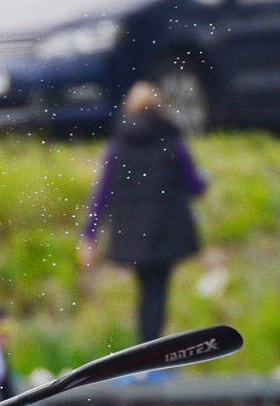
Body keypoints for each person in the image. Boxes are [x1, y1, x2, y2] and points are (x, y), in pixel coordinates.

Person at [80, 81, 207, 344]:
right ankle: (153, 351)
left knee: (144, 291)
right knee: (158, 292)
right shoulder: (172, 141)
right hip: (166, 232)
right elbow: (194, 185)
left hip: (133, 235)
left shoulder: (118, 146)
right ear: (160, 108)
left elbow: (101, 194)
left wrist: (88, 235)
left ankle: (144, 349)